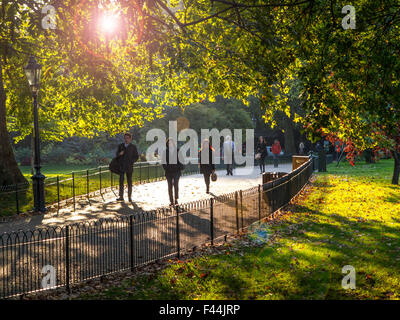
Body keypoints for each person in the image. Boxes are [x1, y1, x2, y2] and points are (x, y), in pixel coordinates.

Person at [116, 133, 139, 202]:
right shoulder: (121, 146)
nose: (126, 139)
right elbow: (116, 154)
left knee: (129, 182)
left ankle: (129, 197)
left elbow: (136, 157)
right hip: (122, 167)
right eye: (125, 138)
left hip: (129, 167)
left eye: (127, 138)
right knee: (121, 182)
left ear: (130, 139)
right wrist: (119, 154)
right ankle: (121, 196)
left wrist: (131, 162)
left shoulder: (133, 147)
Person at [162, 138, 184, 206]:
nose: (170, 144)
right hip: (168, 171)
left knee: (176, 184)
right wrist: (166, 168)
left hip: (176, 171)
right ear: (167, 144)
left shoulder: (177, 151)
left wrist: (179, 167)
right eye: (169, 143)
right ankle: (171, 201)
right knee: (170, 186)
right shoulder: (165, 151)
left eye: (171, 143)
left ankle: (176, 199)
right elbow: (163, 162)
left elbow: (181, 160)